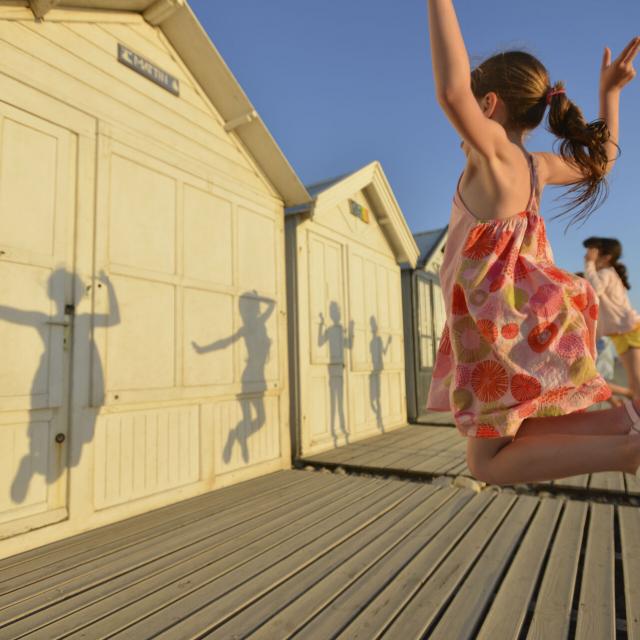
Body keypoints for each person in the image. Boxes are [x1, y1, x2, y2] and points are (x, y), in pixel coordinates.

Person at [425, 0, 640, 485]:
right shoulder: (535, 167)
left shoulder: (496, 156)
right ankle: (624, 425)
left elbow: (450, 90)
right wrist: (611, 96)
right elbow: (602, 161)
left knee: (487, 463)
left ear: (488, 105)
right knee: (507, 446)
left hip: (495, 329)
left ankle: (628, 450)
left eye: (472, 109)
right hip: (521, 325)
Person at [583, 237, 640, 400]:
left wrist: (589, 264)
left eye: (593, 253)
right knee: (635, 388)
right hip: (623, 332)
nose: (587, 256)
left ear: (606, 257)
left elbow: (594, 289)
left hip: (628, 330)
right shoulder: (608, 274)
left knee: (636, 387)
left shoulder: (606, 273)